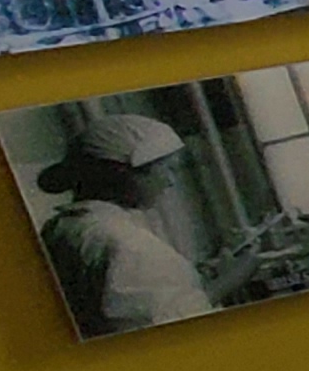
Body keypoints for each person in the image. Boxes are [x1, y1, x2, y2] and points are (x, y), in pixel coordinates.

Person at [29, 106, 210, 334]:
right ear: (121, 174)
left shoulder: (60, 227)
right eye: (165, 169)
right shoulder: (129, 245)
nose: (170, 181)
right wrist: (235, 275)